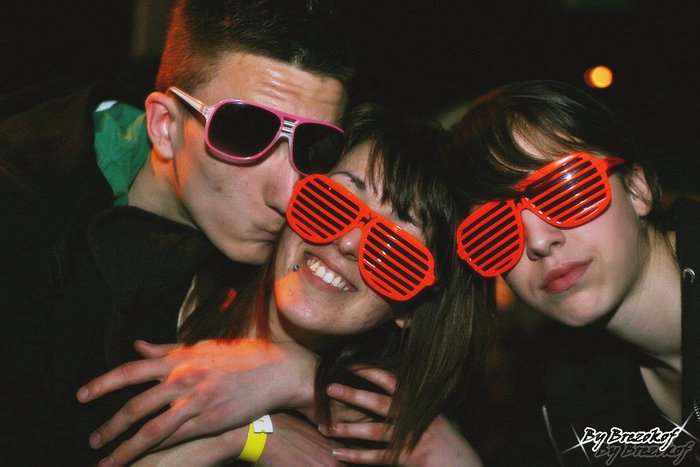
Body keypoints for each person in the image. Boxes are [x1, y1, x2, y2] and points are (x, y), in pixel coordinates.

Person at [0, 1, 354, 464]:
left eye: (315, 147)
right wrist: (254, 432)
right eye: (246, 134)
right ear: (165, 126)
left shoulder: (307, 235)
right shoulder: (24, 221)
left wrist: (302, 377)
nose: (289, 196)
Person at [91, 103, 493, 466]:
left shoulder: (356, 450)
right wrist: (262, 429)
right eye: (333, 202)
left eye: (395, 250)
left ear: (411, 309)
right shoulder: (131, 274)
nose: (348, 242)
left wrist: (254, 422)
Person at [445, 79, 699, 466]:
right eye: (494, 230)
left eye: (565, 190)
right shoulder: (573, 407)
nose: (538, 241)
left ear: (637, 188)